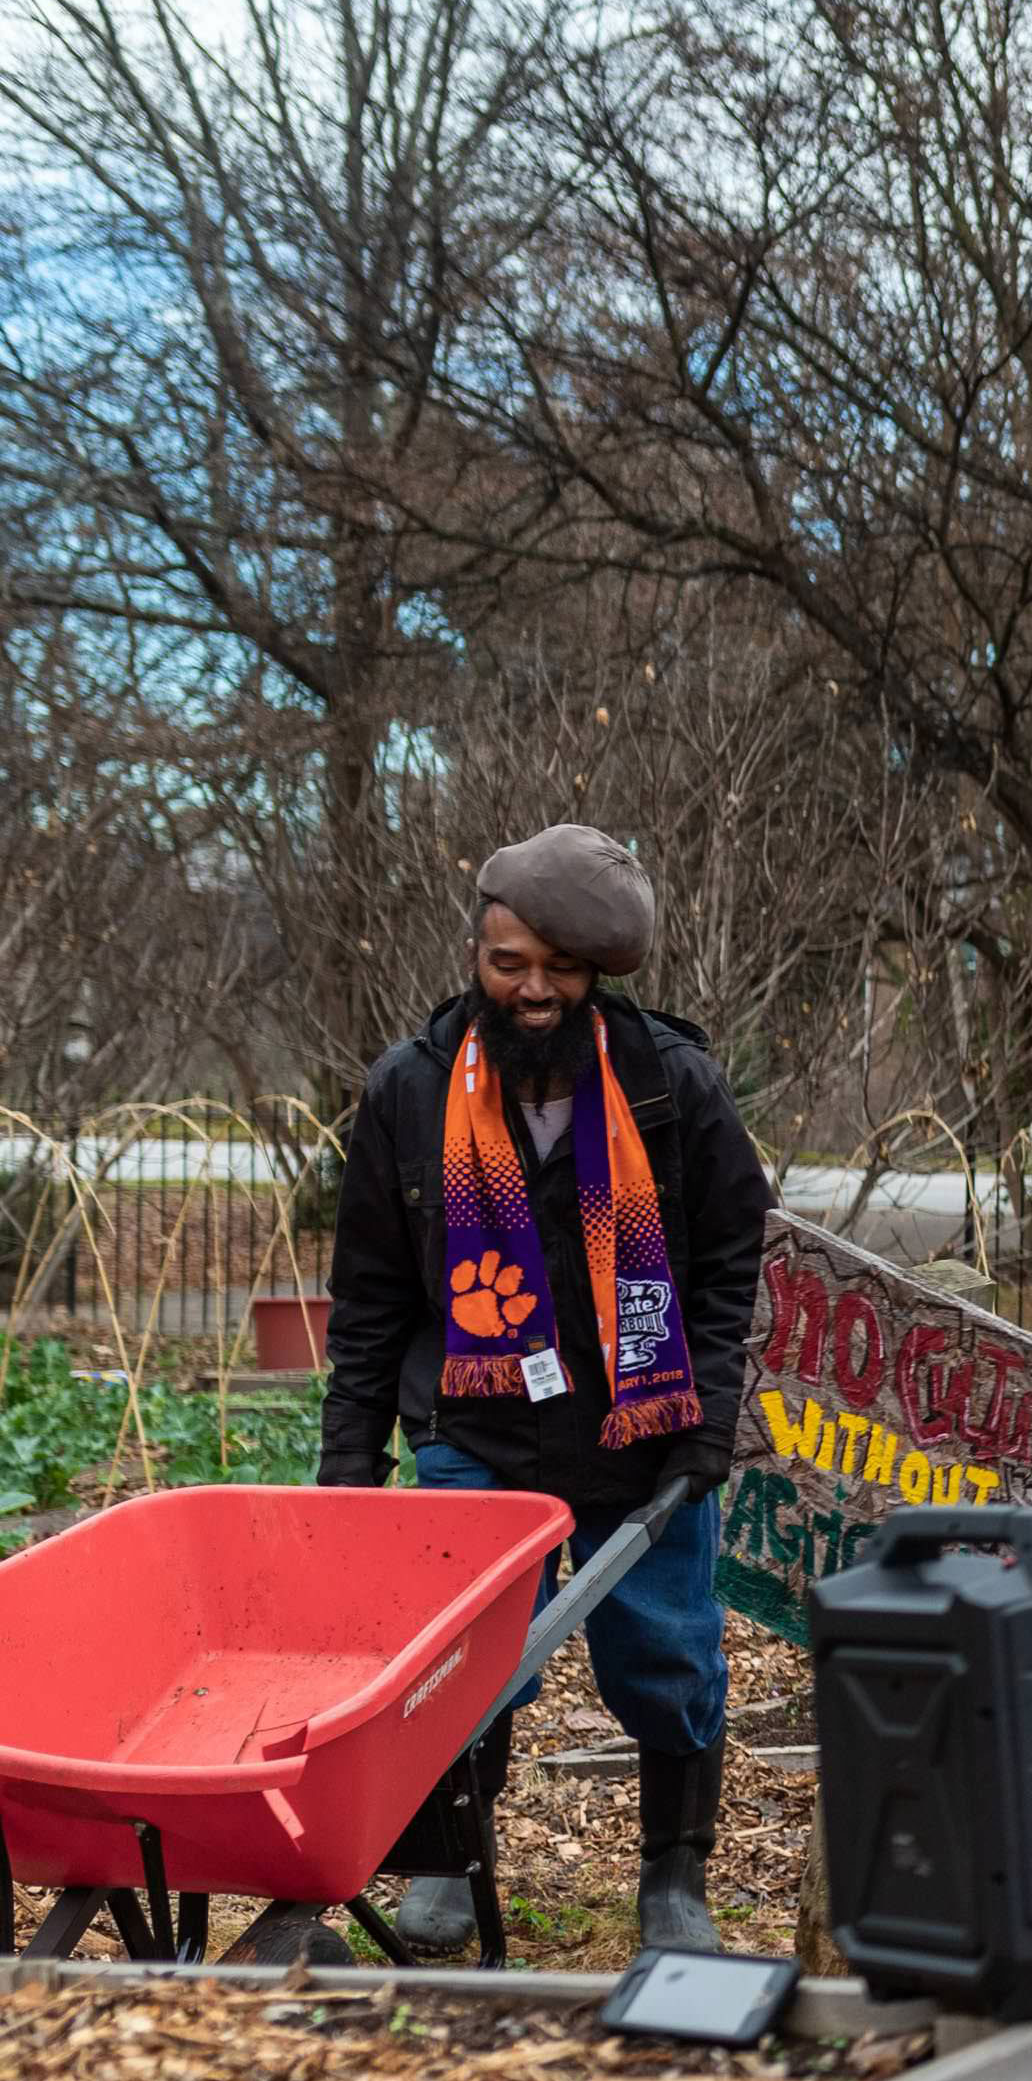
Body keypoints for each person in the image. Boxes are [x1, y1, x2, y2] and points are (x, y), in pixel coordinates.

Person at [319, 824, 774, 1958]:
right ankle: (446, 1867)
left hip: (641, 1429)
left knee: (667, 1659)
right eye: (507, 961)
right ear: (477, 950)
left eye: (558, 968)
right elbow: (372, 1298)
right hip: (474, 1431)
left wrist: (707, 1422)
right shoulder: (409, 1093)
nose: (531, 990)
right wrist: (348, 1464)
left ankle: (674, 1881)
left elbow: (730, 1268)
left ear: (599, 973)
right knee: (456, 1669)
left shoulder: (673, 1089)